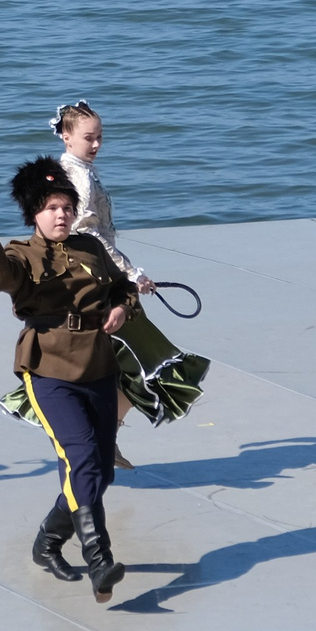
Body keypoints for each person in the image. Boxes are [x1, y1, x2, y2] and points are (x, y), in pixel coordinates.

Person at [0, 157, 138, 604]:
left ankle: (47, 542)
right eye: (51, 208)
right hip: (49, 370)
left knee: (96, 475)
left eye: (65, 206)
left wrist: (122, 306)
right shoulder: (21, 253)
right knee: (81, 459)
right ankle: (100, 560)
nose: (60, 215)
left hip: (98, 366)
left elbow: (122, 287)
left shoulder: (90, 247)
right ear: (34, 214)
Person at [50, 102, 208, 443]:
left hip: (93, 278)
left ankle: (101, 437)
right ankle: (95, 437)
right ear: (66, 137)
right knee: (146, 360)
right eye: (88, 138)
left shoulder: (73, 171)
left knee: (131, 362)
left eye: (100, 138)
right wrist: (131, 274)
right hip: (98, 281)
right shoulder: (77, 177)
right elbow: (87, 236)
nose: (96, 145)